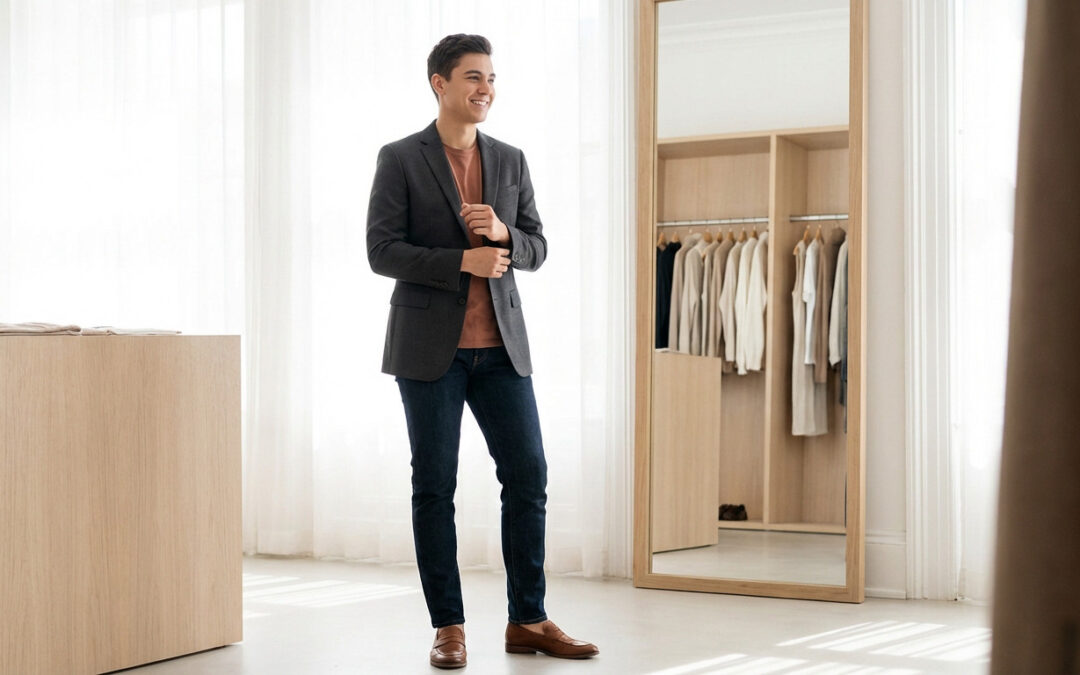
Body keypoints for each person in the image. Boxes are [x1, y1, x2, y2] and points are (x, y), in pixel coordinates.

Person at [366, 33, 599, 669]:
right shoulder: (401, 158)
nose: (485, 88)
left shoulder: (511, 159)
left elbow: (538, 246)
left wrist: (503, 234)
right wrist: (458, 260)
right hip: (428, 354)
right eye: (472, 77)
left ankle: (528, 619)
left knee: (529, 477)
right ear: (439, 84)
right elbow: (380, 251)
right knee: (434, 487)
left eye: (491, 78)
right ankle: (449, 627)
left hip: (502, 351)